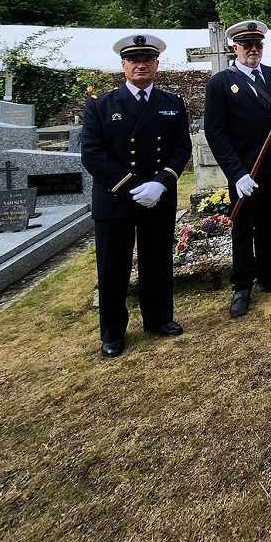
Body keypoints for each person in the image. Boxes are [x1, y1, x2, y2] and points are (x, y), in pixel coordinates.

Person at [80, 34, 192, 358]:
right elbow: (92, 154)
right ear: (123, 65)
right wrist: (132, 187)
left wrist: (160, 183)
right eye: (134, 60)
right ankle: (113, 333)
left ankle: (159, 319)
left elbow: (181, 147)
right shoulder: (101, 105)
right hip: (115, 199)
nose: (141, 64)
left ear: (157, 64)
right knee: (113, 267)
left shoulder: (171, 103)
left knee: (157, 261)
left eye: (147, 59)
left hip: (157, 197)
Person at [203, 20, 271, 317]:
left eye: (258, 45)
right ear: (234, 47)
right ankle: (242, 285)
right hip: (244, 173)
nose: (253, 49)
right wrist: (236, 174)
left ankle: (266, 274)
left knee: (267, 223)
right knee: (243, 227)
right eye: (246, 44)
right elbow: (216, 133)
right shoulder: (221, 83)